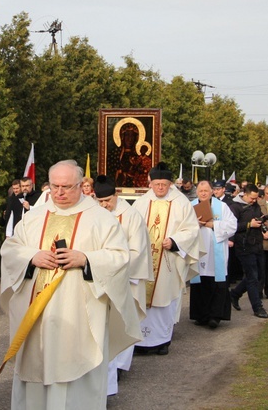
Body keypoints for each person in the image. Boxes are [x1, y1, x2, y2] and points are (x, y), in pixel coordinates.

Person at [0, 160, 140, 409]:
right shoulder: (35, 216)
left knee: (74, 376)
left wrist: (86, 259)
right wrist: (32, 257)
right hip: (36, 315)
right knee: (35, 373)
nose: (59, 193)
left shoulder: (101, 219)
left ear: (81, 185)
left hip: (78, 314)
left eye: (66, 186)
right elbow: (10, 249)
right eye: (54, 186)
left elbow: (120, 256)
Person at [131, 162, 201, 354]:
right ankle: (139, 342)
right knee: (140, 297)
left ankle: (162, 341)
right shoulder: (141, 202)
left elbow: (192, 230)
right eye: (156, 184)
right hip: (145, 261)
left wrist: (175, 241)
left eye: (164, 184)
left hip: (168, 260)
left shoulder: (181, 203)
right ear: (150, 183)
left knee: (165, 299)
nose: (160, 188)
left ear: (170, 183)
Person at [93, 175, 152, 395]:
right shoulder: (96, 215)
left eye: (107, 200)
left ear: (116, 195)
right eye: (99, 201)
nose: (104, 205)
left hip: (125, 278)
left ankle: (118, 366)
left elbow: (137, 251)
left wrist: (114, 267)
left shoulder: (131, 216)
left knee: (125, 319)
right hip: (101, 279)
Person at [190, 180, 237, 329]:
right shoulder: (189, 207)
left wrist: (213, 225)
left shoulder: (221, 207)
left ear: (212, 191)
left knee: (216, 282)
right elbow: (181, 226)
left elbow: (232, 225)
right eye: (200, 190)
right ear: (196, 192)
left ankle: (215, 316)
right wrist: (195, 224)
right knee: (200, 282)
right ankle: (201, 315)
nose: (203, 193)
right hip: (198, 250)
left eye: (206, 190)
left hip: (215, 250)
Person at [229, 184, 268, 318]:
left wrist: (262, 220)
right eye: (252, 198)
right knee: (252, 277)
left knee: (258, 276)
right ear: (244, 195)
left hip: (257, 244)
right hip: (244, 245)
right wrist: (248, 225)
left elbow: (257, 218)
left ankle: (234, 294)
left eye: (256, 198)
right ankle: (258, 307)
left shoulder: (255, 205)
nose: (254, 200)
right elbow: (231, 226)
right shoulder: (235, 207)